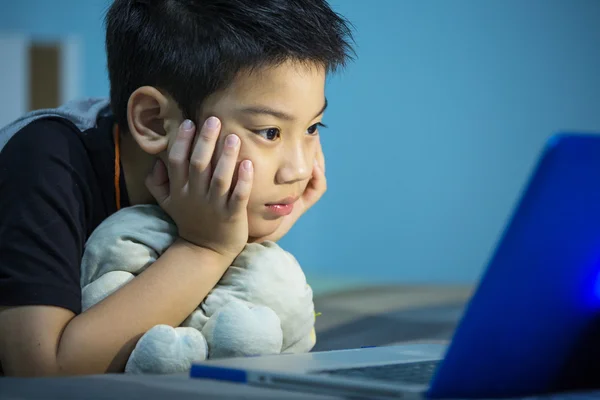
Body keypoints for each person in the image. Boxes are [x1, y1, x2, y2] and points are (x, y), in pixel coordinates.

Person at [0, 0, 354, 376]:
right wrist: (207, 248)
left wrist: (245, 240)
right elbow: (42, 374)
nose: (298, 169)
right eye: (270, 132)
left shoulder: (199, 199)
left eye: (313, 128)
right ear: (154, 121)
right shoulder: (46, 160)